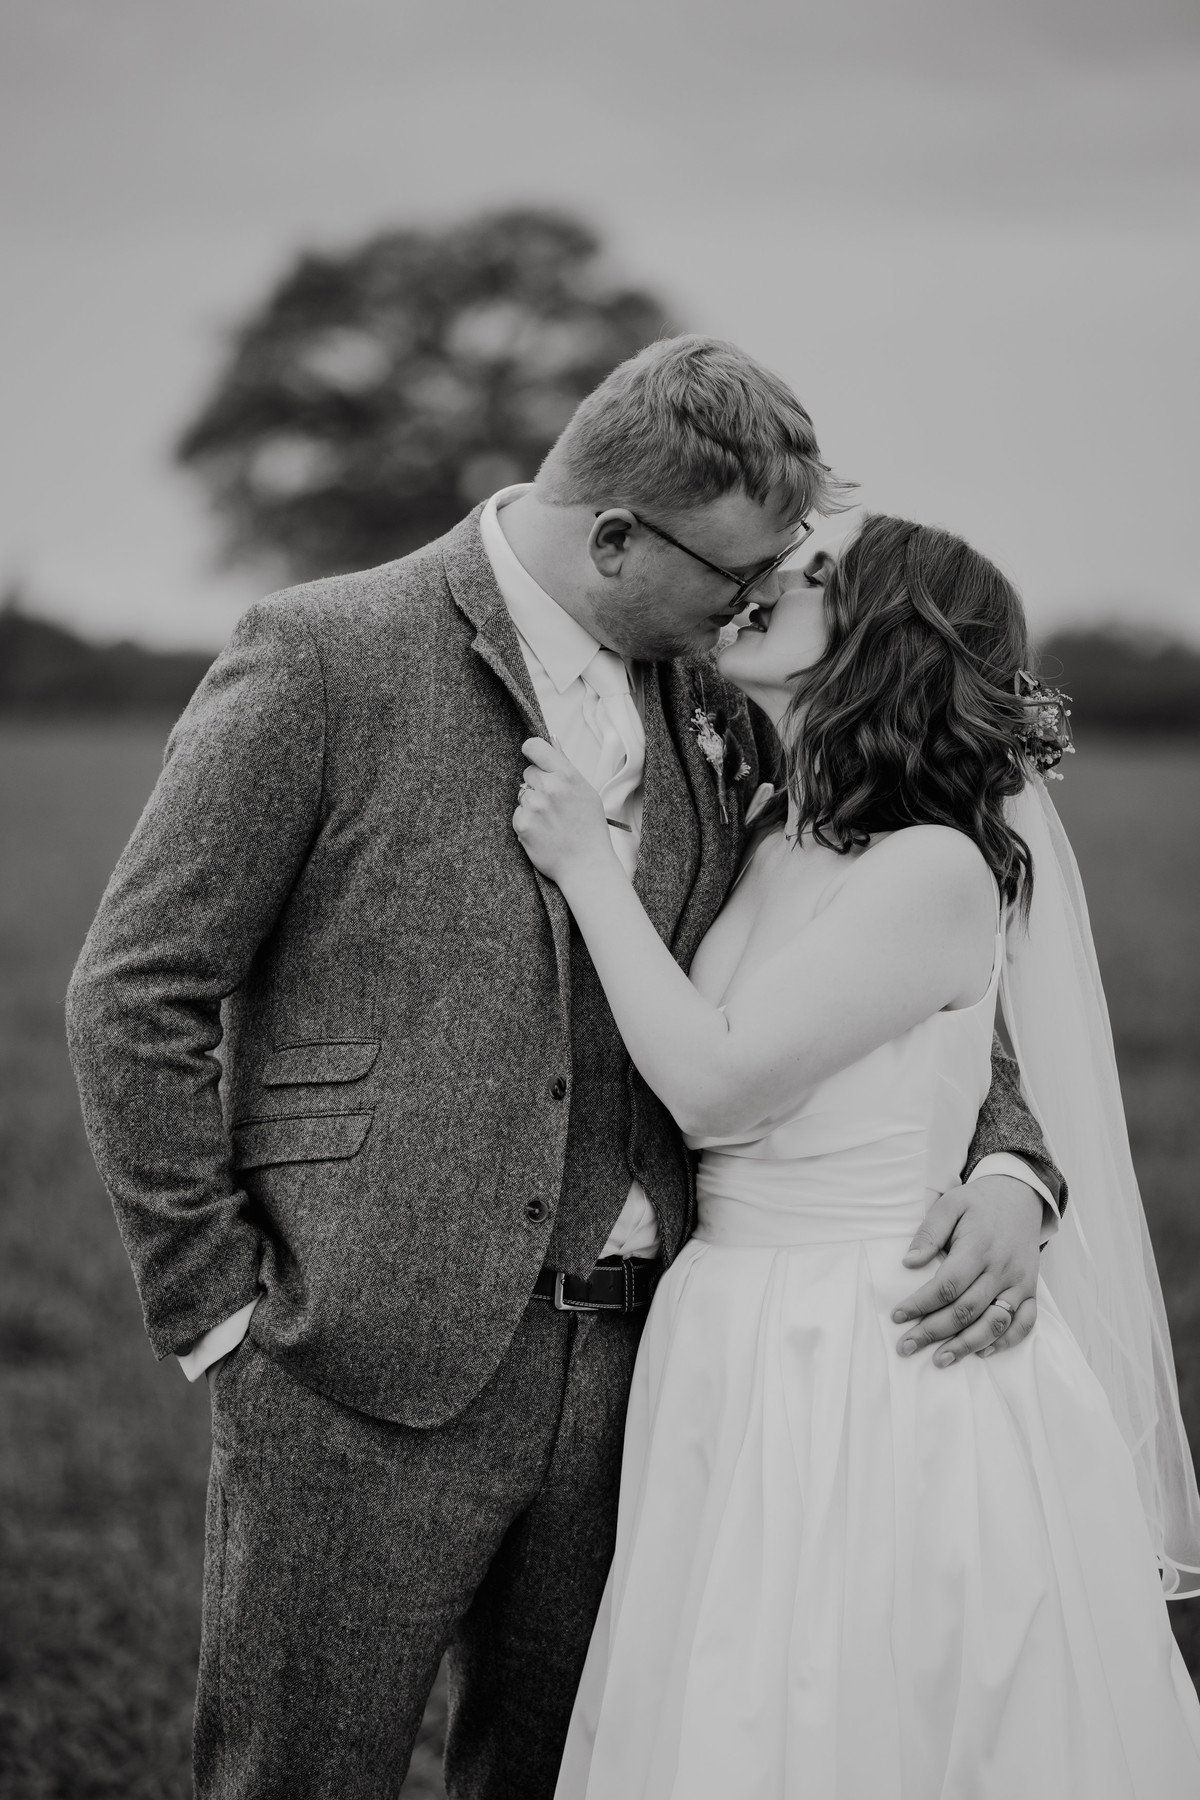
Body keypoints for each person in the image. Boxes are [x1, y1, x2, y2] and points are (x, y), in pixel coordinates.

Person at [66, 339, 1061, 1800]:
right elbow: (136, 992)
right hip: (360, 1370)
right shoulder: (326, 654)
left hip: (654, 1377)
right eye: (738, 578)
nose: (763, 602)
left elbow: (907, 959)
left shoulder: (728, 695)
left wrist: (1008, 1163)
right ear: (614, 538)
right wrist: (218, 1311)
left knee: (566, 1777)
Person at [512, 513, 1200, 1799]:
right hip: (726, 1329)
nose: (776, 579)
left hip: (866, 1350)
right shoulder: (773, 830)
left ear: (889, 642)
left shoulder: (933, 868)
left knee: (852, 1703)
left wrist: (584, 870)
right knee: (730, 1704)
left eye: (823, 576)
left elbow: (718, 1088)